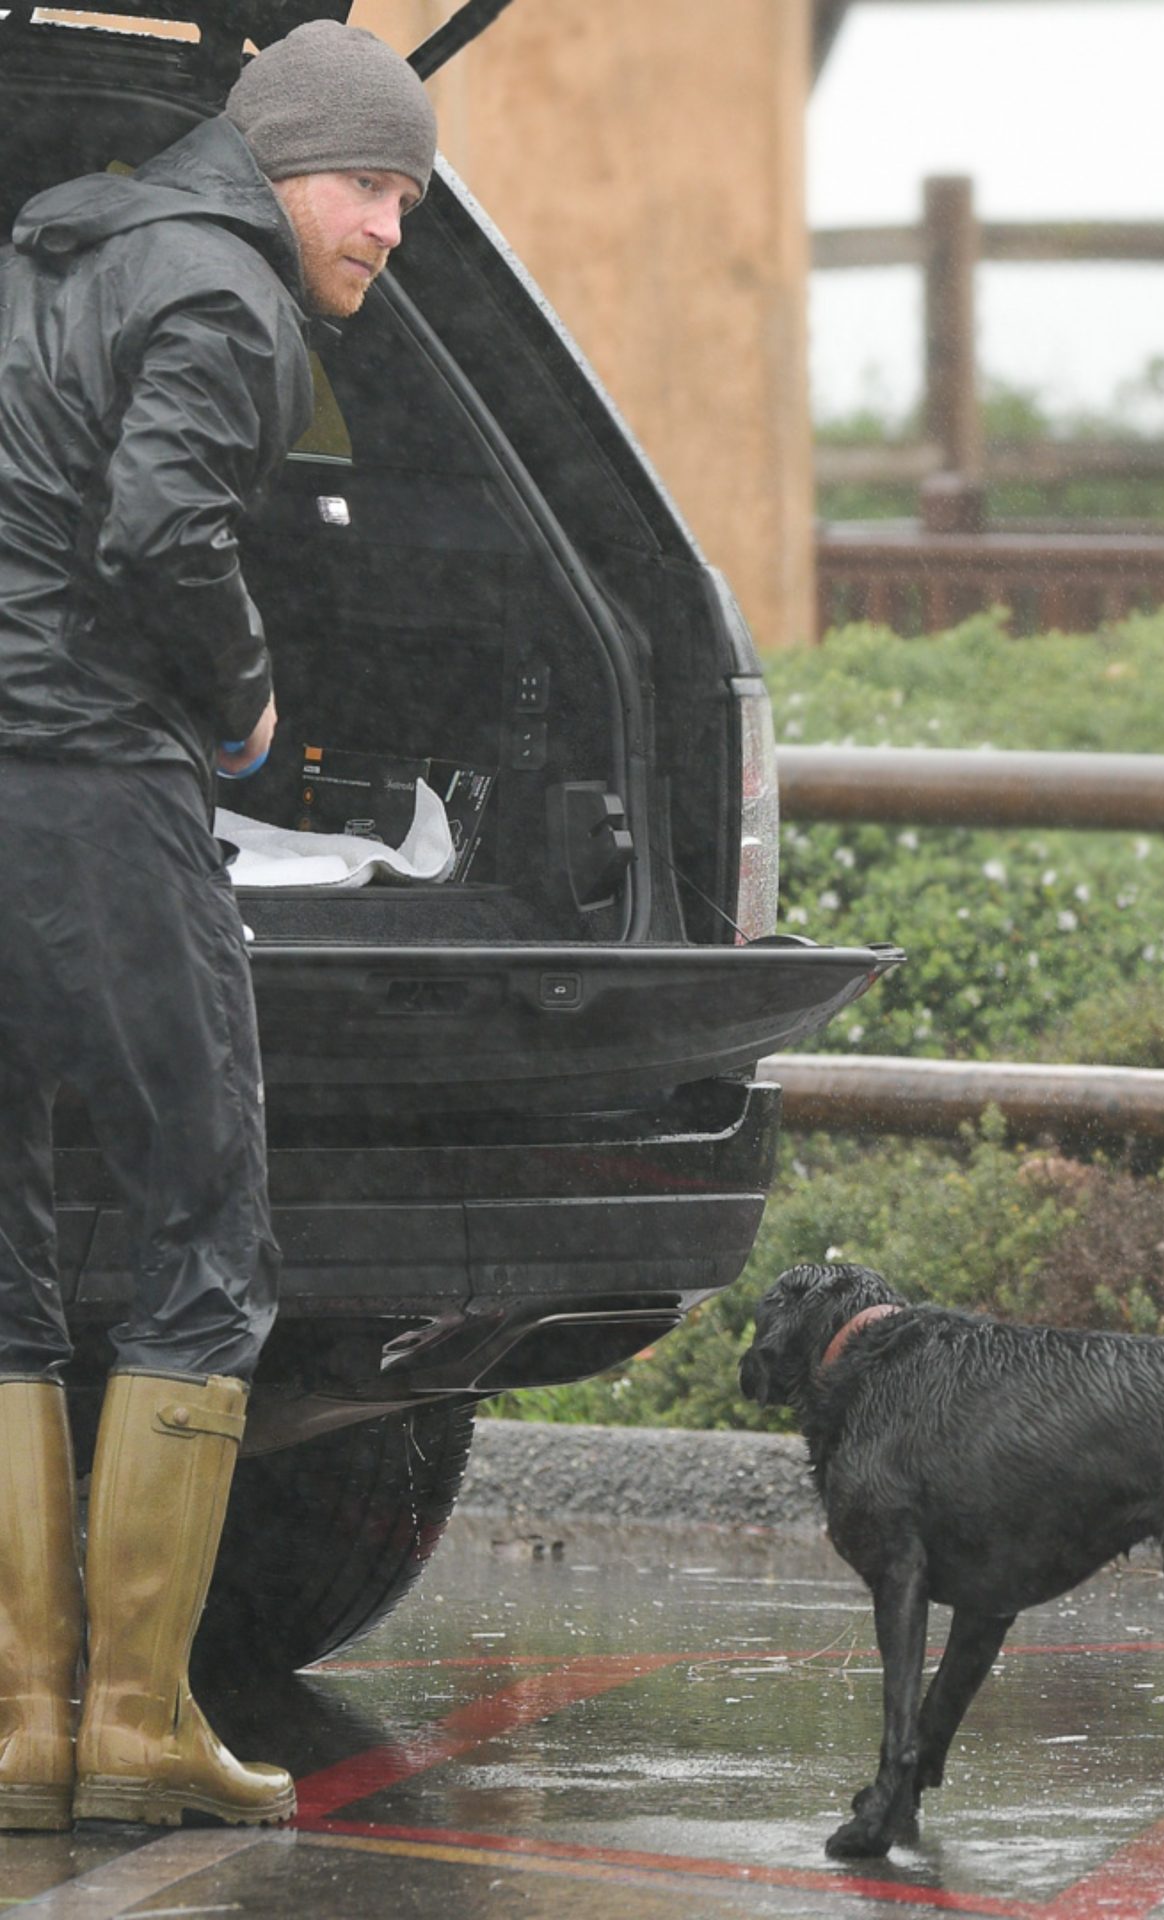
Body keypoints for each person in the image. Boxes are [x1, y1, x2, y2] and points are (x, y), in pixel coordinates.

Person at [0, 20, 436, 1831]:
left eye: (409, 196)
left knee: (9, 1239)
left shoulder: (62, 250)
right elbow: (164, 534)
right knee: (208, 1228)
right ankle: (138, 1716)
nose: (390, 227)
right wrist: (248, 711)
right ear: (278, 167)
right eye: (366, 184)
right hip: (98, 778)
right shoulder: (226, 295)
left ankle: (26, 1723)